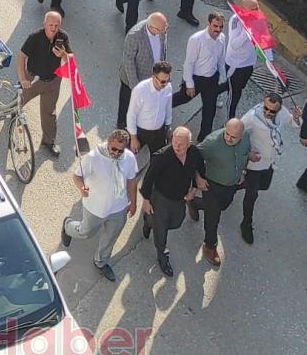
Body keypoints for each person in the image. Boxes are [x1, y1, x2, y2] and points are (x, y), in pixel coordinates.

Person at [60, 128, 138, 282]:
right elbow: (77, 176)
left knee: (111, 236)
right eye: (113, 149)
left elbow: (131, 181)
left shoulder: (129, 158)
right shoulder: (94, 157)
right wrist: (81, 187)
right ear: (108, 143)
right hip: (95, 207)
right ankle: (68, 226)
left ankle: (101, 261)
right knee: (86, 232)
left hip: (118, 207)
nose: (116, 153)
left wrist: (133, 202)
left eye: (120, 150)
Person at [140, 126, 206, 278]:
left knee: (176, 223)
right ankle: (162, 256)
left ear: (189, 143)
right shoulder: (161, 157)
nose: (177, 146)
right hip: (161, 198)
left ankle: (149, 221)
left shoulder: (194, 153)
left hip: (180, 198)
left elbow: (200, 169)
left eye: (181, 144)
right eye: (175, 142)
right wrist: (146, 200)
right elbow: (148, 179)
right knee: (161, 229)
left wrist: (194, 189)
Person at [188, 118, 252, 268]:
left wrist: (243, 172)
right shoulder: (211, 143)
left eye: (233, 137)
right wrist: (198, 179)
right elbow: (192, 158)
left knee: (222, 206)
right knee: (213, 217)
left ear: (241, 135)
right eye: (226, 134)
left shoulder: (246, 138)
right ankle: (210, 246)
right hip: (211, 185)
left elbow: (245, 154)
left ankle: (194, 203)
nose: (228, 138)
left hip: (231, 184)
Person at [240, 92, 302, 243]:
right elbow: (235, 131)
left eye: (272, 111)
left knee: (263, 186)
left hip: (270, 161)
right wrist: (247, 153)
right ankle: (246, 223)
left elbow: (294, 124)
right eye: (265, 108)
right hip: (255, 162)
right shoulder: (252, 117)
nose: (267, 112)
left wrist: (296, 117)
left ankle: (236, 185)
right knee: (252, 195)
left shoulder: (282, 113)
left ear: (278, 109)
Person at [17, 11, 71, 158]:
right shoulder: (35, 37)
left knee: (49, 112)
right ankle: (14, 115)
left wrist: (63, 55)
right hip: (33, 79)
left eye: (56, 25)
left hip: (53, 81)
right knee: (20, 100)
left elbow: (71, 60)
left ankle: (48, 141)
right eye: (51, 25)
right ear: (44, 23)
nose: (53, 28)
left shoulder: (63, 37)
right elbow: (21, 57)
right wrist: (23, 79)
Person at [178, 11, 227, 141]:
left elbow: (221, 59)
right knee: (182, 98)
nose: (218, 29)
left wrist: (222, 77)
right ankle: (161, 106)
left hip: (212, 79)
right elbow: (189, 63)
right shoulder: (196, 39)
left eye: (221, 27)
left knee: (209, 110)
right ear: (208, 23)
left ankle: (203, 139)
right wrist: (189, 84)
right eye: (215, 26)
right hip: (196, 78)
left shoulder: (222, 38)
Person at [117, 11, 169, 127]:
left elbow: (163, 51)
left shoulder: (162, 29)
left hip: (152, 78)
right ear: (152, 28)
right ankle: (122, 126)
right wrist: (136, 88)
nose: (165, 30)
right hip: (133, 79)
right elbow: (128, 62)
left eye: (165, 27)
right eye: (162, 29)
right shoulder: (135, 36)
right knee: (126, 105)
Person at [126, 62, 173, 157]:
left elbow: (168, 108)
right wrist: (133, 138)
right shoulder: (140, 90)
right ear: (154, 77)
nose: (165, 84)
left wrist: (168, 127)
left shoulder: (168, 87)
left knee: (159, 159)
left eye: (168, 80)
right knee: (129, 157)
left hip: (159, 131)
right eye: (162, 81)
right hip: (140, 131)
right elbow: (131, 115)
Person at [224, 0, 259, 117]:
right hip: (236, 64)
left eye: (257, 8)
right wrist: (247, 31)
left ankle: (215, 91)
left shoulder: (257, 19)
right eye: (253, 9)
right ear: (244, 10)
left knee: (237, 88)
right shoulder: (236, 21)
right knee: (234, 93)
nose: (256, 12)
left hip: (249, 63)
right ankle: (230, 119)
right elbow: (234, 45)